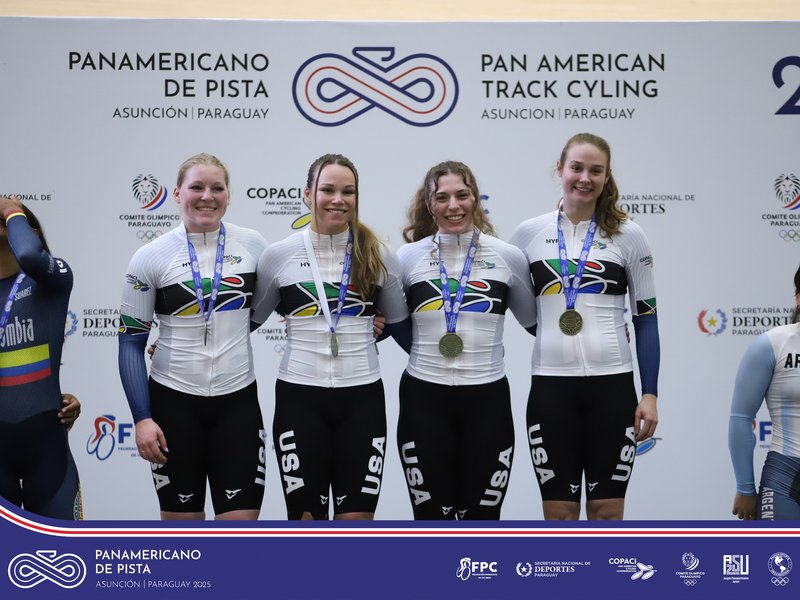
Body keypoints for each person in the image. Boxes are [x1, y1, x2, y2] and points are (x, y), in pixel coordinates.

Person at [510, 133, 660, 520]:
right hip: (550, 387)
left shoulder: (629, 235)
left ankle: (603, 584)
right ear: (559, 169)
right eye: (576, 168)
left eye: (596, 171)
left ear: (607, 177)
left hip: (612, 386)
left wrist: (650, 394)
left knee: (607, 512)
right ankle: (565, 582)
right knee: (558, 514)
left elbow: (646, 319)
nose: (585, 178)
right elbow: (513, 306)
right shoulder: (528, 234)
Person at [252, 153, 410, 520]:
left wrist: (375, 329)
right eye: (328, 190)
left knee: (356, 523)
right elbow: (244, 322)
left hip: (362, 399)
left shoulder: (379, 255)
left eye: (348, 191)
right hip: (299, 399)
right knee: (306, 523)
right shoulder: (278, 256)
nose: (338, 199)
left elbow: (399, 327)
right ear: (308, 194)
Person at [118, 153, 267, 520]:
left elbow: (280, 306)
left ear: (229, 196)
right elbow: (130, 344)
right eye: (196, 187)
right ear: (176, 193)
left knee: (241, 534)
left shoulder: (254, 246)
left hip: (238, 404)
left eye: (217, 188)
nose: (207, 196)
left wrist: (367, 320)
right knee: (184, 538)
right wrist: (142, 419)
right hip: (173, 404)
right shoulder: (150, 256)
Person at [396, 161, 537, 520]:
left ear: (475, 198)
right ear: (429, 204)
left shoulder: (508, 256)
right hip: (423, 400)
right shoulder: (407, 258)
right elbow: (386, 320)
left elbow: (538, 322)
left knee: (482, 519)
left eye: (462, 195)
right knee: (431, 519)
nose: (453, 205)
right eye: (441, 197)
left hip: (487, 401)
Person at [0, 196, 82, 520]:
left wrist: (11, 209)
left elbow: (32, 257)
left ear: (29, 230)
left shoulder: (52, 278)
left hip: (47, 451)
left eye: (9, 221)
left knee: (65, 563)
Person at [728, 264, 800, 520]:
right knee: (778, 559)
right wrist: (745, 487)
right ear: (798, 298)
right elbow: (741, 418)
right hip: (787, 473)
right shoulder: (771, 344)